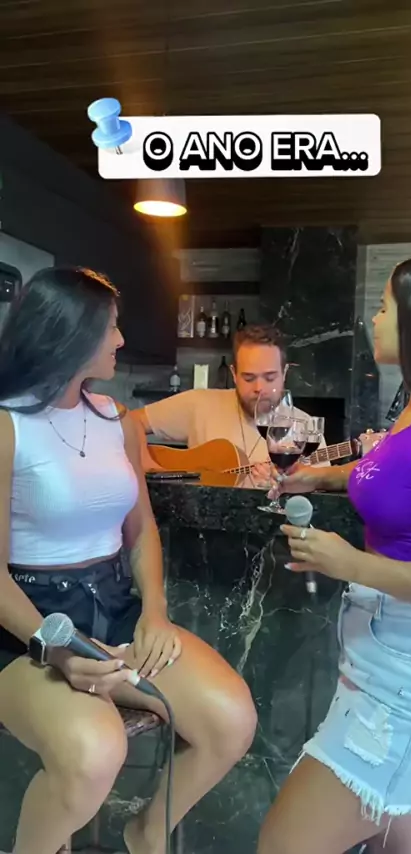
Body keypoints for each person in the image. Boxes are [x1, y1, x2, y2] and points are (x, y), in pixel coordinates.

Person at [0, 267, 257, 854]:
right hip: (24, 626)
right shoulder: (6, 426)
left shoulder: (117, 420)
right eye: (111, 327)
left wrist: (155, 612)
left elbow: (141, 532)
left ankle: (145, 833)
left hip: (114, 607)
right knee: (95, 751)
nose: (120, 340)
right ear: (69, 333)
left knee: (230, 720)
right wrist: (57, 650)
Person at [258, 250, 411, 854]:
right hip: (384, 663)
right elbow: (399, 473)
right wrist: (325, 477)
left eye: (384, 307)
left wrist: (350, 564)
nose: (373, 320)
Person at [131, 325, 329, 484]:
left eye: (270, 378)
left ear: (284, 373)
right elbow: (130, 421)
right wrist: (148, 465)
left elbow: (316, 503)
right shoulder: (199, 403)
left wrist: (288, 487)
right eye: (249, 378)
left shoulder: (307, 429)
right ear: (234, 374)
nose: (259, 388)